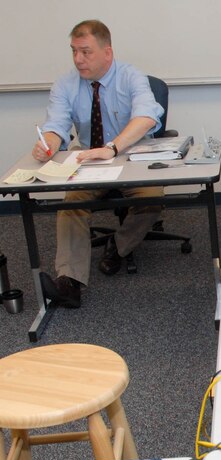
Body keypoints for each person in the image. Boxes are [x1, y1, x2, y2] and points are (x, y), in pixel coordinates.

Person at [33, 20, 164, 309]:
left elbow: (147, 117)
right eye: (74, 51)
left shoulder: (131, 77)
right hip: (89, 160)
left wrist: (112, 147)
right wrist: (49, 144)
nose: (78, 59)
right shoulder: (65, 84)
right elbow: (56, 125)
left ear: (107, 52)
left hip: (131, 156)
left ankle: (117, 246)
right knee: (71, 203)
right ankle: (68, 282)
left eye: (86, 52)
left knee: (153, 198)